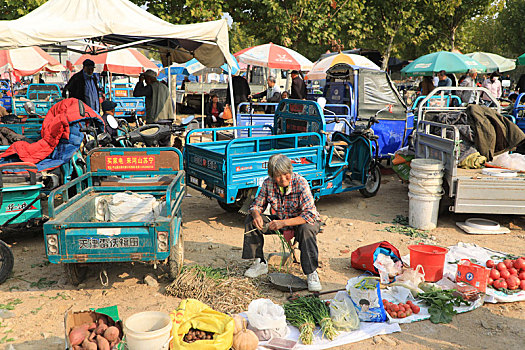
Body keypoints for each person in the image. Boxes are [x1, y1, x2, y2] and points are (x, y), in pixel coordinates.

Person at [243, 154, 322, 291]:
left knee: (307, 229)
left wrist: (284, 223)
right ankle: (259, 263)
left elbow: (310, 214)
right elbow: (256, 206)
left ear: (290, 171)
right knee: (251, 221)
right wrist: (256, 215)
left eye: (286, 174)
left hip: (300, 222)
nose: (283, 179)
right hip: (280, 220)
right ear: (272, 175)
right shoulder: (268, 183)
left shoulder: (300, 183)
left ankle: (311, 273)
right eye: (278, 176)